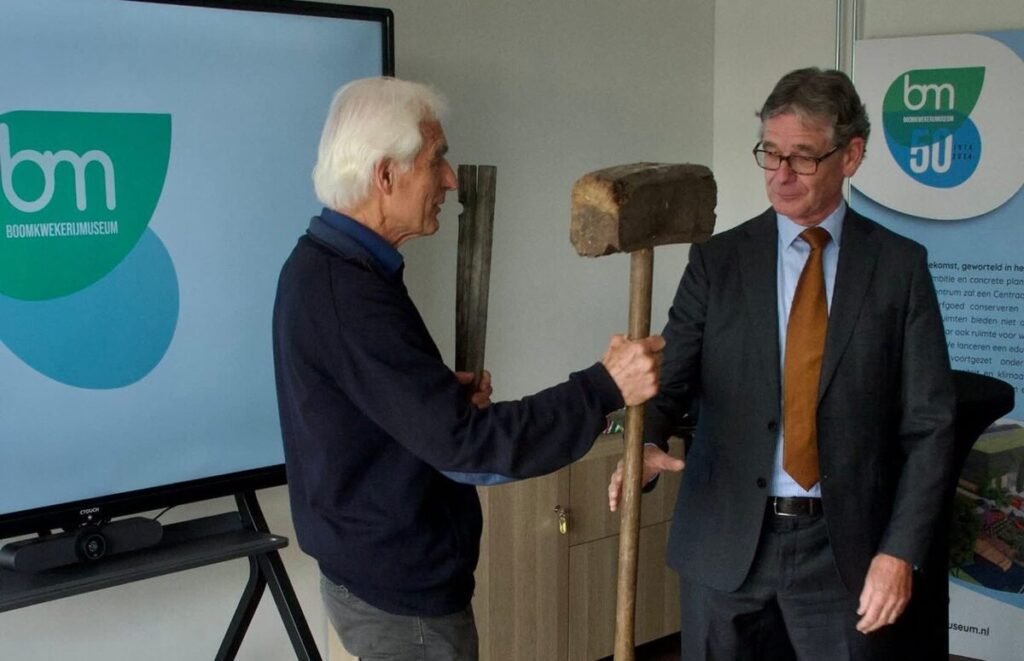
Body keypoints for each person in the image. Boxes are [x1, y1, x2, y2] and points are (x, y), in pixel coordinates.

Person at [272, 77, 665, 661]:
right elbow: (472, 451)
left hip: (378, 583)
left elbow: (368, 406)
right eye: (438, 160)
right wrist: (603, 386)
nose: (451, 180)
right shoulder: (348, 295)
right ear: (386, 176)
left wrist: (429, 396)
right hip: (405, 612)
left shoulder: (330, 266)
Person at [608, 67, 955, 659]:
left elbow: (931, 426)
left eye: (802, 157)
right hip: (726, 544)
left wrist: (899, 553)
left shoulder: (899, 268)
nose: (782, 175)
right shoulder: (719, 262)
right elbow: (672, 379)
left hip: (844, 552)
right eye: (770, 154)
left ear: (850, 156)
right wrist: (642, 437)